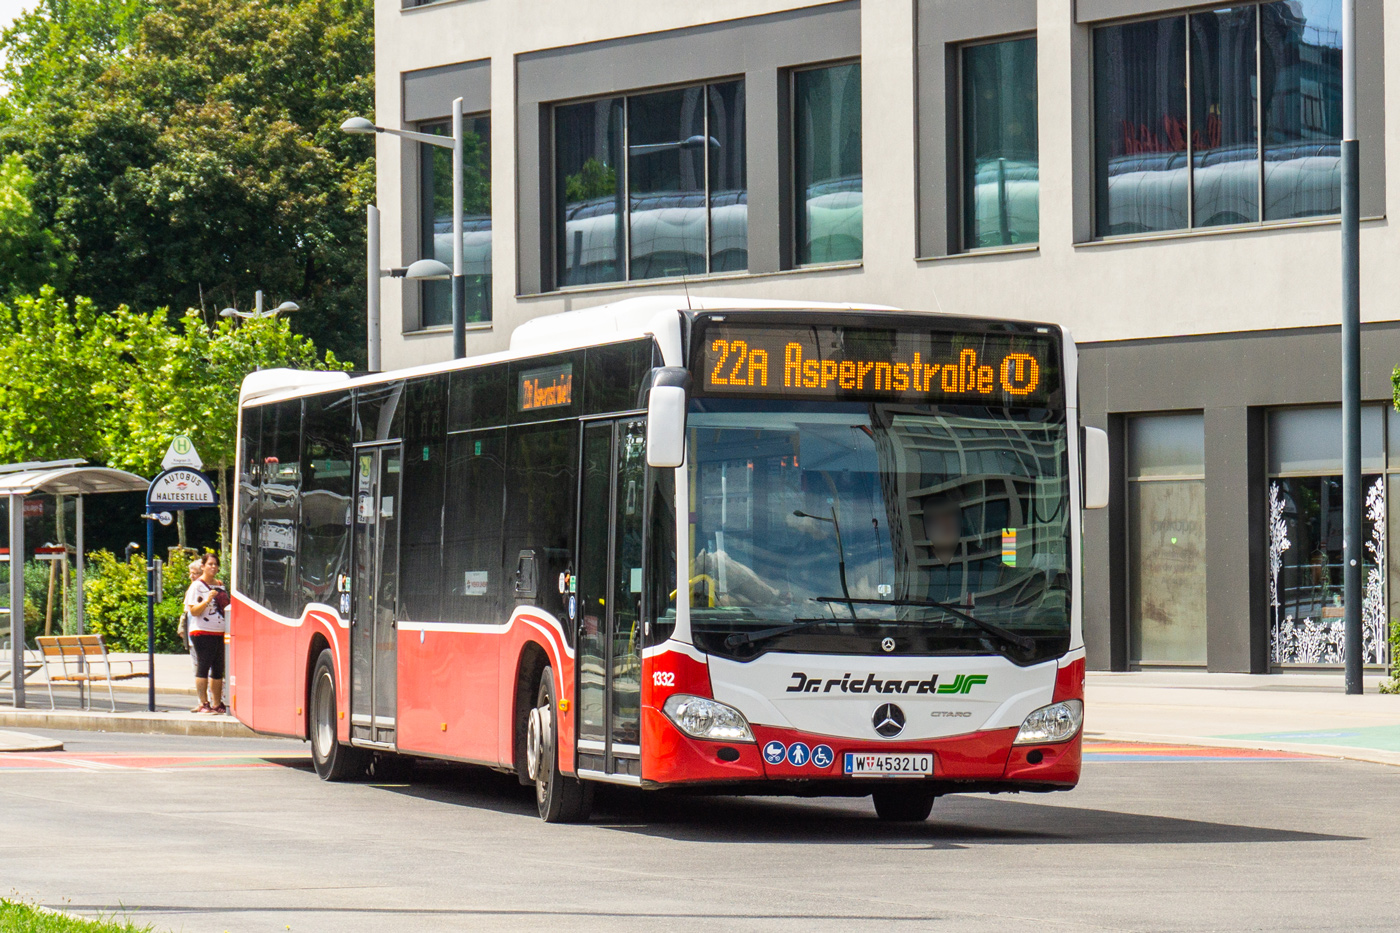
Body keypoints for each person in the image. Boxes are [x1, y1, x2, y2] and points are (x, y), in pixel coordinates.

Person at [185, 555, 228, 714]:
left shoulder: (220, 585)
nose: (213, 567)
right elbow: (193, 611)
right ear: (202, 566)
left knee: (218, 668)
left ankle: (217, 703)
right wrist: (207, 600)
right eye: (210, 564)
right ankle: (203, 702)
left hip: (220, 631)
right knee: (203, 666)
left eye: (216, 564)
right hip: (202, 631)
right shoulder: (197, 586)